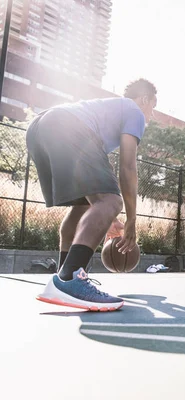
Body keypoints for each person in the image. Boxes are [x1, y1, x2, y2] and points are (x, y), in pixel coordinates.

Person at [26, 79, 157, 311]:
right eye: (152, 107)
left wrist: (106, 217)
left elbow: (95, 201)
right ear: (144, 100)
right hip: (68, 125)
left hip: (40, 130)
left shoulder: (107, 111)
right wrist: (131, 221)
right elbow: (127, 168)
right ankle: (70, 279)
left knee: (84, 207)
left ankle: (63, 276)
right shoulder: (133, 110)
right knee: (112, 200)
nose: (151, 115)